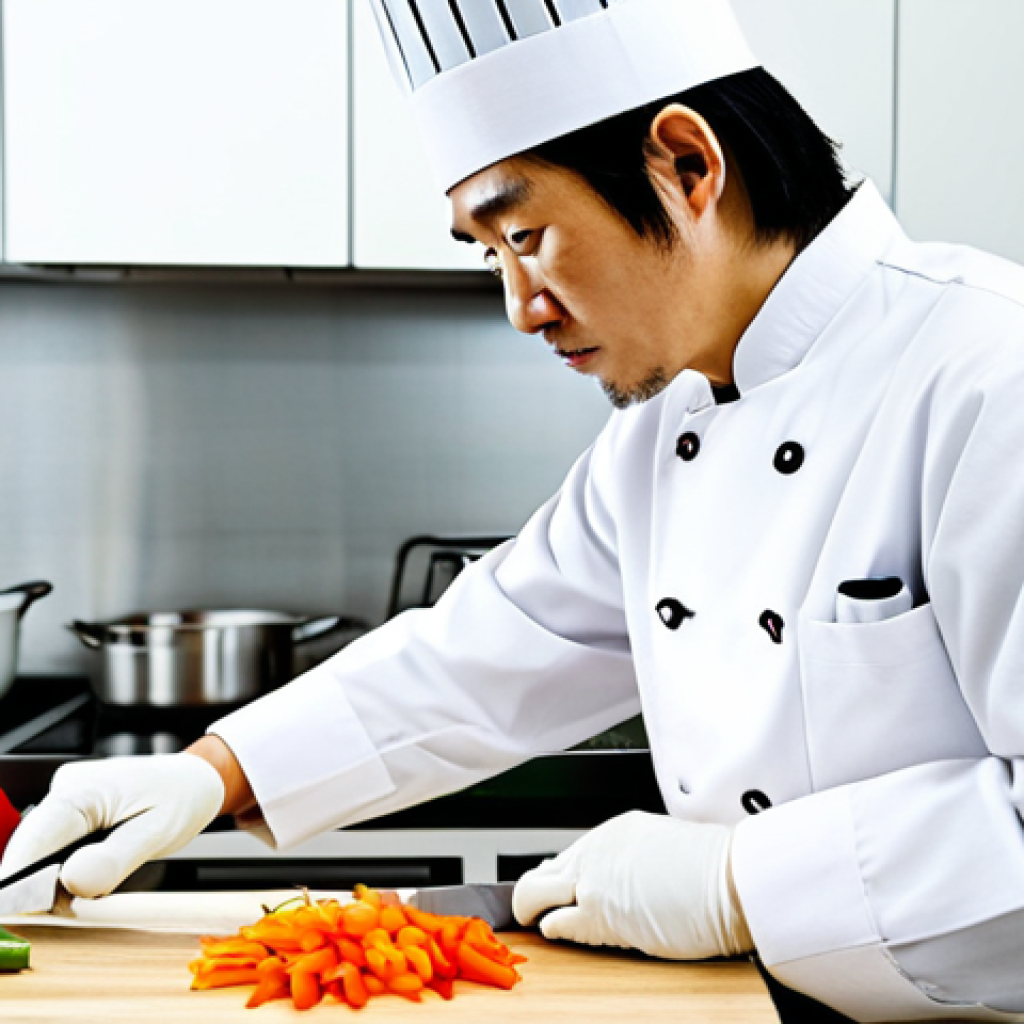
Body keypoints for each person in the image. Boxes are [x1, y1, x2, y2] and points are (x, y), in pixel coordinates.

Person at [4, 1, 1024, 1019]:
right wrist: (207, 775)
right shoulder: (661, 427)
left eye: (526, 235)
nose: (518, 304)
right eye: (487, 254)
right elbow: (483, 651)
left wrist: (742, 883)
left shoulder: (986, 370)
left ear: (686, 164)